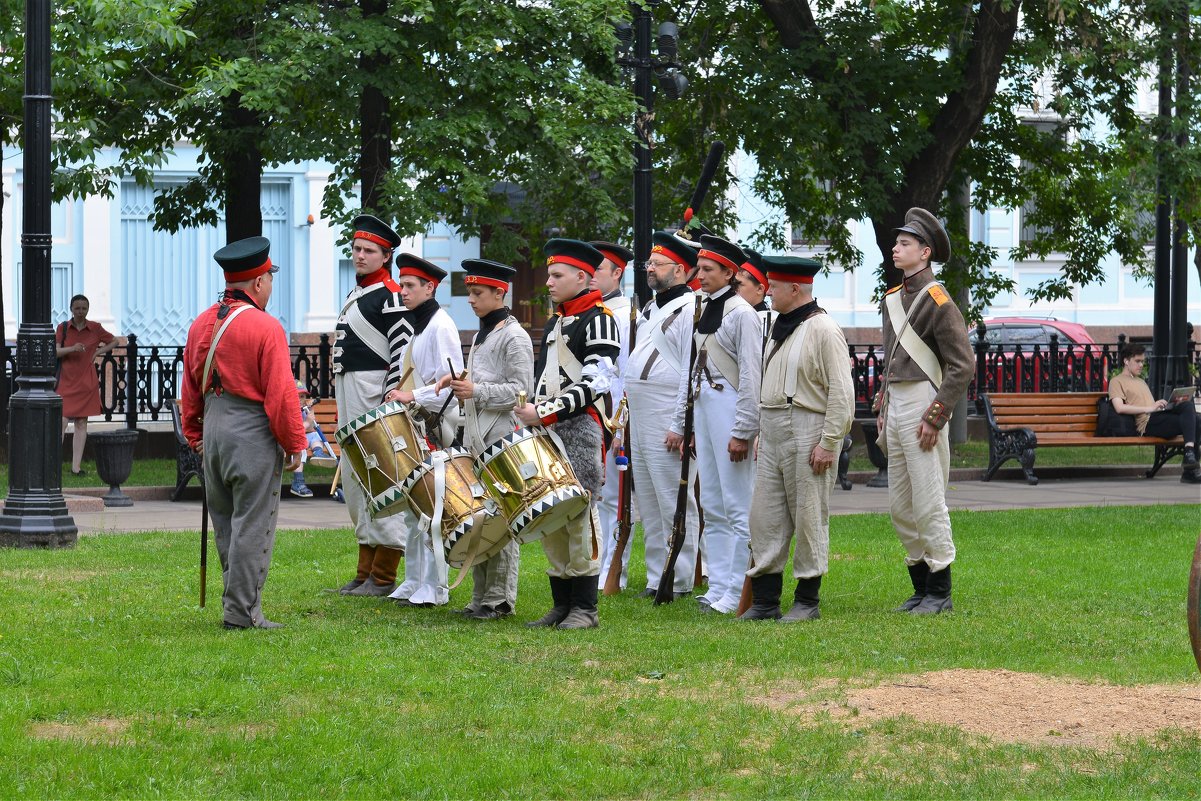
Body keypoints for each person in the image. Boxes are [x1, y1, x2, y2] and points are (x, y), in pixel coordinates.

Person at [180, 236, 306, 630]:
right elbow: (281, 394)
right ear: (257, 283)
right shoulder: (266, 326)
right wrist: (295, 442)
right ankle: (242, 611)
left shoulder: (201, 323)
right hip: (250, 430)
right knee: (252, 522)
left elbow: (189, 388)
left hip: (213, 430)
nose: (270, 285)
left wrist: (196, 435)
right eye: (269, 278)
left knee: (225, 522)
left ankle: (235, 603)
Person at [739, 256, 853, 621]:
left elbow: (841, 394)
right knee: (765, 517)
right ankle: (765, 601)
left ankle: (807, 600)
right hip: (773, 428)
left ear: (794, 289)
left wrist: (829, 442)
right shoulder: (779, 326)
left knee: (808, 516)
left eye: (773, 285)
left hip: (806, 428)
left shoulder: (823, 329)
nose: (767, 290)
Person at [871, 208, 974, 615]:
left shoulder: (938, 300)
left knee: (929, 499)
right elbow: (891, 359)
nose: (896, 249)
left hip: (923, 402)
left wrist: (935, 416)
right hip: (898, 401)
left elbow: (962, 365)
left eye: (905, 244)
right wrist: (883, 403)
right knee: (900, 504)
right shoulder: (893, 299)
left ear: (925, 252)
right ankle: (920, 586)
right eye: (897, 243)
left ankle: (940, 590)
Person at [515, 238, 620, 629]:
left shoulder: (600, 318)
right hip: (548, 430)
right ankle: (562, 604)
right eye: (548, 274)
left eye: (556, 275)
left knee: (580, 518)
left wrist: (544, 412)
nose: (548, 282)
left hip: (579, 431)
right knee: (552, 515)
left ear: (581, 276)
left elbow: (598, 382)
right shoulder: (560, 319)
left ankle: (585, 608)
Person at [436, 259, 534, 619]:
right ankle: (480, 596)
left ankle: (500, 598)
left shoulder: (515, 335)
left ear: (499, 293)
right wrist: (460, 381)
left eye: (478, 293)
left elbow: (521, 391)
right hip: (477, 437)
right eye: (470, 293)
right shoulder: (481, 335)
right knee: (480, 515)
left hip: (503, 436)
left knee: (503, 517)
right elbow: (482, 380)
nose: (471, 300)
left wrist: (475, 389)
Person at [331, 215, 412, 597]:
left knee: (381, 475)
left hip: (373, 392)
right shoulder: (357, 294)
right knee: (354, 475)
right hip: (349, 389)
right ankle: (365, 570)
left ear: (386, 255)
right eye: (357, 249)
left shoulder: (392, 294)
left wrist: (389, 397)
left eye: (368, 251)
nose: (360, 255)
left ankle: (383, 574)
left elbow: (402, 349)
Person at [384, 254, 464, 607]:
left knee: (433, 507)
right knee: (413, 506)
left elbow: (451, 384)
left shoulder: (441, 325)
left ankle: (437, 585)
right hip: (417, 422)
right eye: (402, 285)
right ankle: (415, 578)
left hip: (436, 426)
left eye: (410, 286)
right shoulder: (421, 324)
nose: (403, 291)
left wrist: (410, 395)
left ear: (430, 288)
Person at [624, 231, 700, 600]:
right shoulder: (652, 309)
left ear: (680, 269)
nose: (649, 269)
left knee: (672, 496)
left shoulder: (688, 309)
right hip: (641, 411)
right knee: (649, 499)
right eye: (649, 263)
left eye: (657, 264)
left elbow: (689, 367)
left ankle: (680, 577)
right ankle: (657, 575)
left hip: (665, 409)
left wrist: (679, 423)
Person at [689, 235, 762, 614]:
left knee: (736, 506)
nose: (699, 275)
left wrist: (743, 430)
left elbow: (751, 376)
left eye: (708, 269)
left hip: (730, 411)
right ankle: (717, 587)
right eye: (699, 268)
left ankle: (737, 591)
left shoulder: (743, 315)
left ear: (729, 273)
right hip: (705, 409)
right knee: (712, 504)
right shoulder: (707, 310)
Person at [589, 240, 635, 590]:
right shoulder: (593, 312)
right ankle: (598, 561)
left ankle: (612, 567)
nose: (590, 277)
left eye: (597, 270)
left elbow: (624, 373)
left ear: (617, 273)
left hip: (613, 418)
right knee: (599, 494)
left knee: (617, 498)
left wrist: (620, 423)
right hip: (593, 413)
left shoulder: (623, 315)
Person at [1109, 343, 1199, 483]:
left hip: (1157, 416)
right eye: (1137, 361)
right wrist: (1149, 409)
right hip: (1146, 424)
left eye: (1142, 361)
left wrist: (1161, 405)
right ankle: (1190, 469)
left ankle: (1189, 456)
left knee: (1190, 410)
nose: (1141, 365)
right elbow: (1119, 408)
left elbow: (1150, 406)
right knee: (1195, 421)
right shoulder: (1116, 381)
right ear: (1126, 361)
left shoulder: (1141, 381)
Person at [55, 294, 118, 476]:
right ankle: (53, 466)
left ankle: (76, 467)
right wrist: (72, 349)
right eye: (77, 308)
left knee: (82, 422)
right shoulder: (63, 327)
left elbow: (114, 340)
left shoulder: (95, 328)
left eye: (83, 308)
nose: (80, 312)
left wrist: (98, 351)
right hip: (66, 379)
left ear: (88, 309)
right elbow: (56, 352)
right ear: (71, 309)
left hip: (86, 381)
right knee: (62, 421)